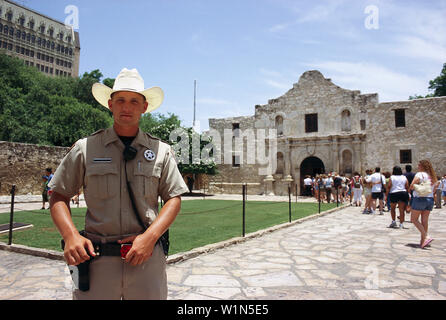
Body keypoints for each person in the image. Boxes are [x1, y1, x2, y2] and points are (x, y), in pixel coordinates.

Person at [48, 68, 189, 300]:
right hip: (96, 261)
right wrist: (71, 235)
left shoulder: (161, 151)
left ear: (144, 107)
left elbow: (174, 198)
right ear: (110, 104)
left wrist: (150, 238)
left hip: (145, 259)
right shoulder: (86, 148)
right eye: (120, 100)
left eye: (134, 101)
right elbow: (58, 195)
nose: (127, 107)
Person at [409, 159, 437, 249]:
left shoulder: (419, 174)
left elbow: (412, 186)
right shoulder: (432, 176)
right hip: (430, 199)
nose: (418, 166)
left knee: (414, 219)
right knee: (425, 220)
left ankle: (426, 236)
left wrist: (413, 187)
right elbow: (434, 188)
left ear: (422, 166)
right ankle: (423, 242)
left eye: (419, 165)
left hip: (420, 198)